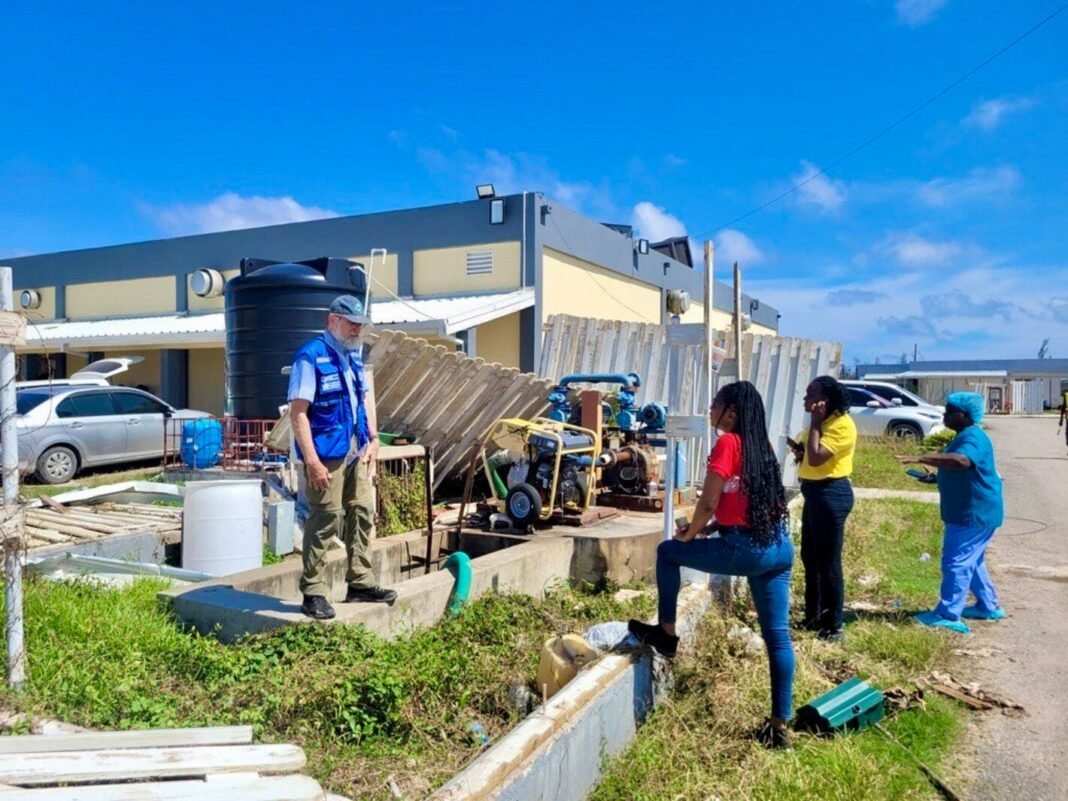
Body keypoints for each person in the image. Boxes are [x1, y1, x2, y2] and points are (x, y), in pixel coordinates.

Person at [629, 381, 795, 748]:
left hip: (748, 549)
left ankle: (667, 634)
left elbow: (707, 501)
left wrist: (690, 534)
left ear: (730, 413)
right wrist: (713, 527)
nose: (709, 409)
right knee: (778, 638)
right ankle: (779, 728)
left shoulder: (727, 443)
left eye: (715, 403)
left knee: (667, 552)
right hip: (779, 548)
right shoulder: (761, 445)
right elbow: (743, 504)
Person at [288, 294, 397, 620]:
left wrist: (374, 438)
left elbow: (364, 399)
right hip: (325, 455)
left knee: (362, 511)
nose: (357, 330)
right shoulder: (310, 358)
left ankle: (360, 582)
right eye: (352, 324)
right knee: (325, 518)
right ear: (332, 320)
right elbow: (298, 414)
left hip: (353, 451)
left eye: (360, 325)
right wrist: (312, 462)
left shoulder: (351, 356)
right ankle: (313, 591)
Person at [896, 391, 1004, 634]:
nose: (945, 416)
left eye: (949, 412)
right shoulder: (965, 435)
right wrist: (935, 477)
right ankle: (988, 606)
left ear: (964, 415)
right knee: (973, 560)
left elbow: (963, 462)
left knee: (956, 562)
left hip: (972, 513)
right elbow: (961, 469)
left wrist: (922, 457)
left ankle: (948, 614)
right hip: (974, 511)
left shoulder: (973, 437)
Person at [790, 376, 857, 641]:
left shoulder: (842, 425)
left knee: (829, 563)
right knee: (811, 557)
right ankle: (813, 616)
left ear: (823, 401)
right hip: (815, 493)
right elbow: (811, 453)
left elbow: (817, 458)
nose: (805, 399)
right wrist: (800, 451)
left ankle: (834, 625)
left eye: (810, 395)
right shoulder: (825, 423)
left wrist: (815, 423)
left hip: (832, 494)